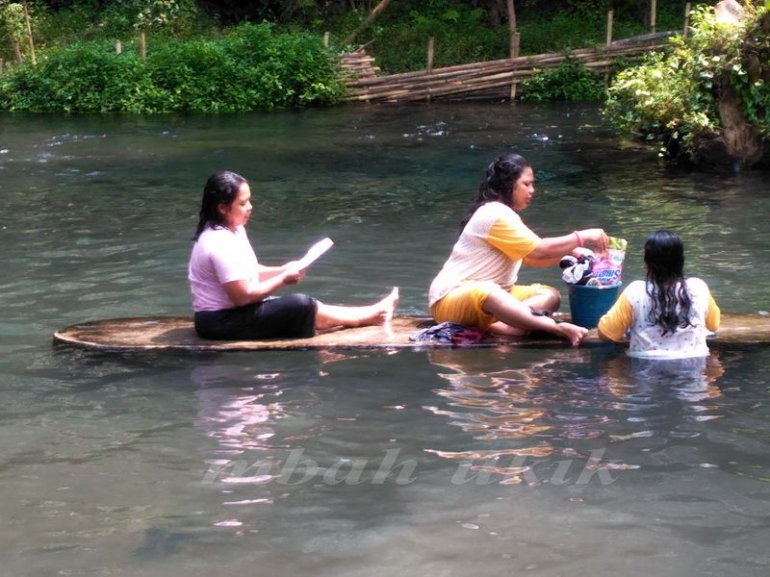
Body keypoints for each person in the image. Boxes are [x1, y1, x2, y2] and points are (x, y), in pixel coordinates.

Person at [188, 170, 399, 340]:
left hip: (230, 316)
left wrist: (282, 269)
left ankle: (371, 314)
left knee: (302, 305)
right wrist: (283, 279)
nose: (250, 208)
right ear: (223, 208)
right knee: (301, 304)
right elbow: (242, 297)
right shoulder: (219, 242)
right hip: (220, 323)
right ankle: (372, 316)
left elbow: (247, 272)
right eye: (242, 204)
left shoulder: (234, 229)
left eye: (249, 201)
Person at [428, 153, 609, 346]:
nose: (532, 191)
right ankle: (555, 327)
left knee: (550, 295)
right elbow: (539, 250)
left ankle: (505, 324)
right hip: (449, 299)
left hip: (494, 299)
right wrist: (581, 237)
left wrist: (568, 254)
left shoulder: (505, 214)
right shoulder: (494, 214)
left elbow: (531, 258)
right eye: (526, 184)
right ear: (508, 184)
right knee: (489, 291)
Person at [597, 230, 721, 358]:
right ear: (681, 261)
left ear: (647, 264)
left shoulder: (635, 292)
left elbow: (606, 334)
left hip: (644, 370)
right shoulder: (699, 288)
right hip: (694, 369)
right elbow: (714, 325)